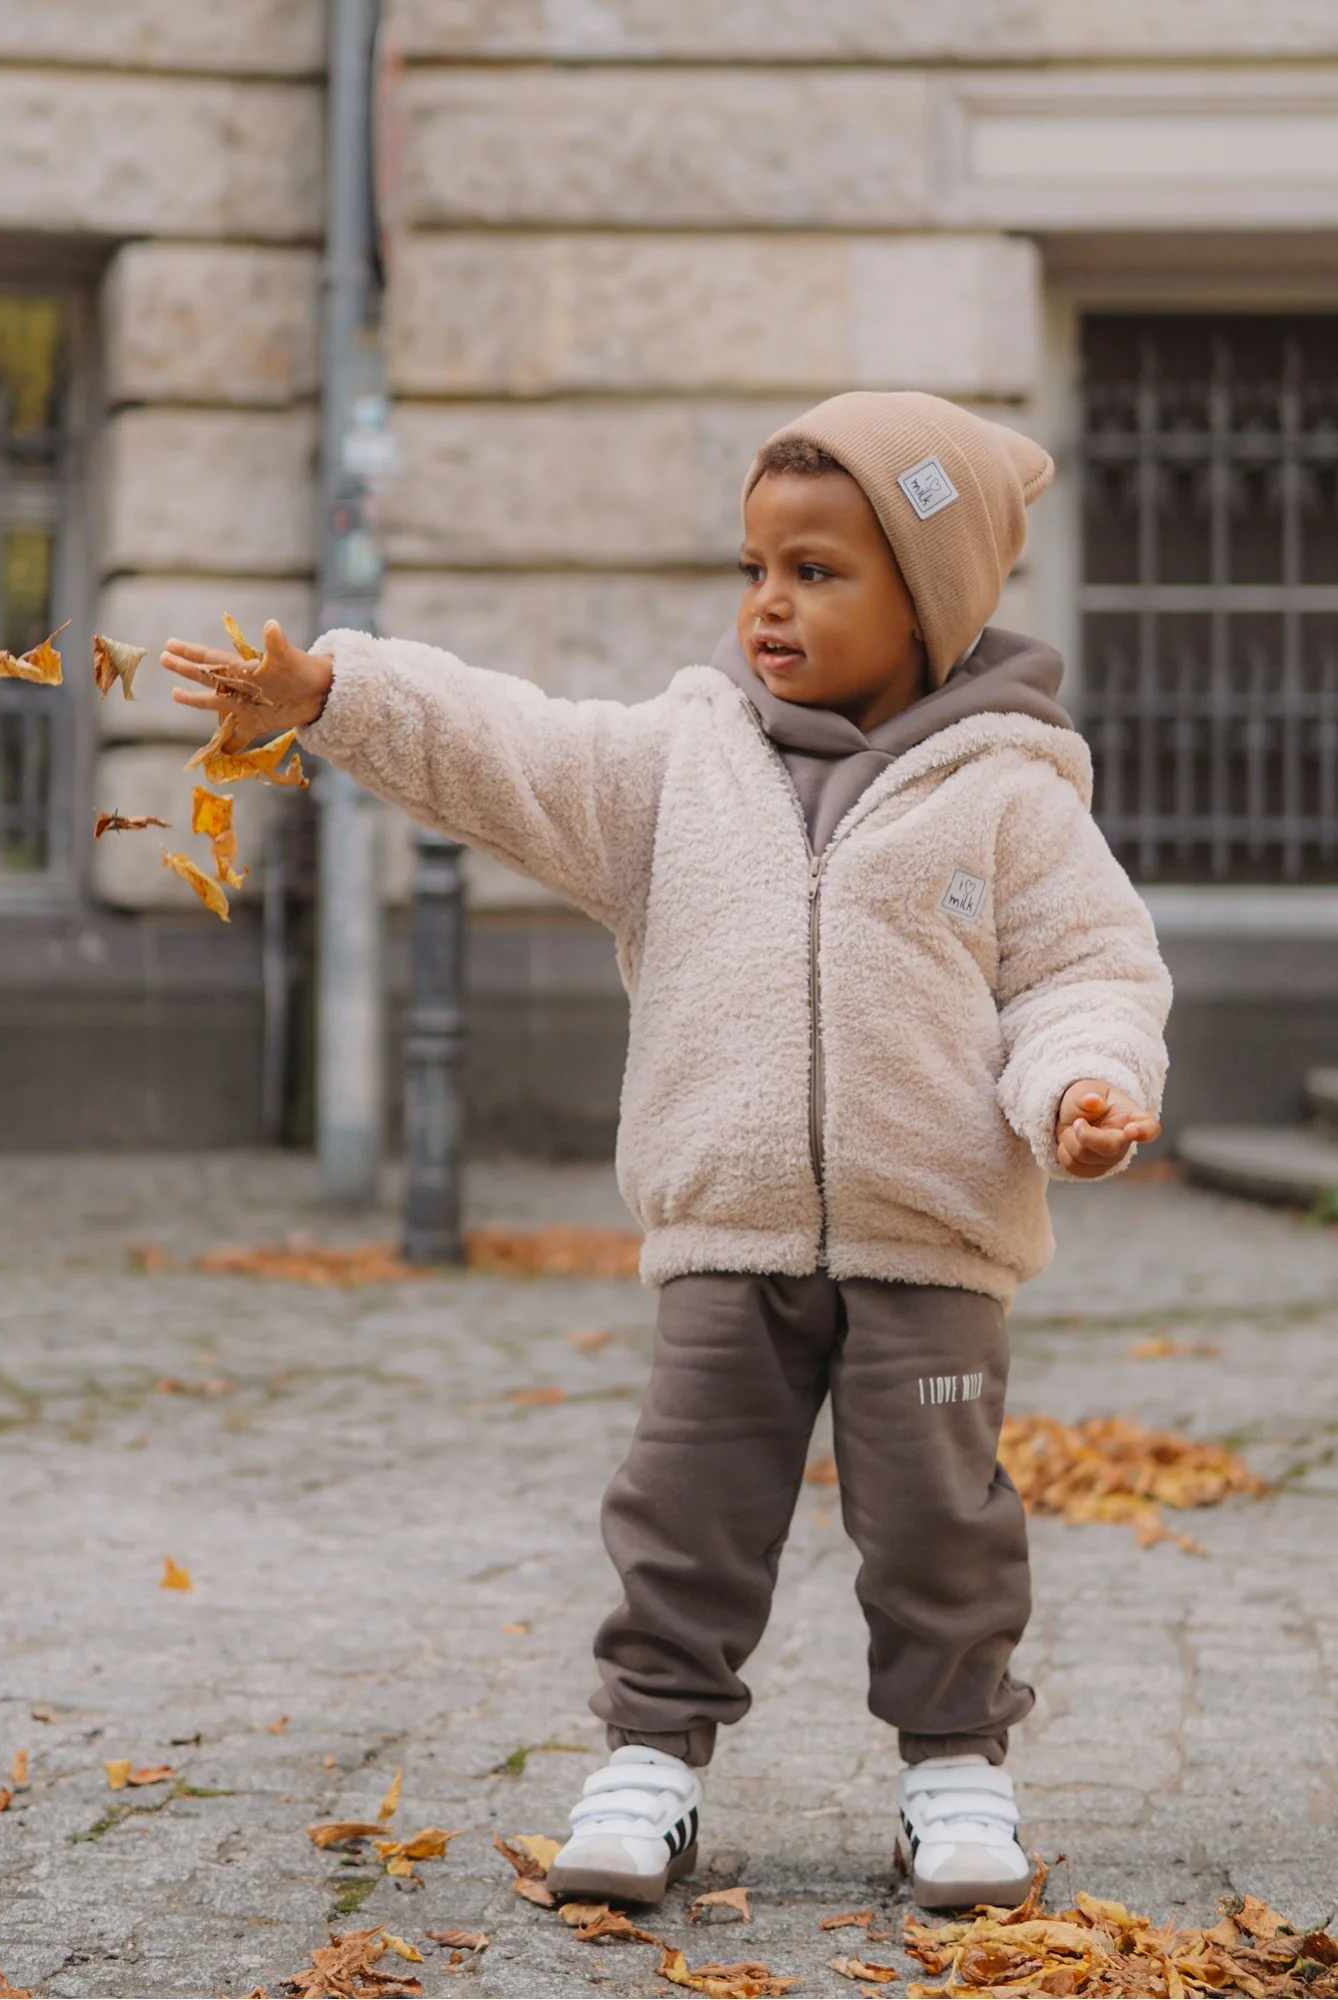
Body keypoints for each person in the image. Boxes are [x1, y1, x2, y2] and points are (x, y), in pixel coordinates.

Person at [163, 391, 1170, 1913]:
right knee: (684, 1515)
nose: (770, 602)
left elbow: (1085, 974)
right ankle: (650, 1760)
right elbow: (510, 747)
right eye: (755, 567)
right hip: (727, 1231)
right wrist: (335, 693)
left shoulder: (1010, 796)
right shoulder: (680, 767)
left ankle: (955, 1769)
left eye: (817, 572)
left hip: (933, 1241)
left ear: (928, 599)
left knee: (940, 1526)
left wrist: (1083, 1086)